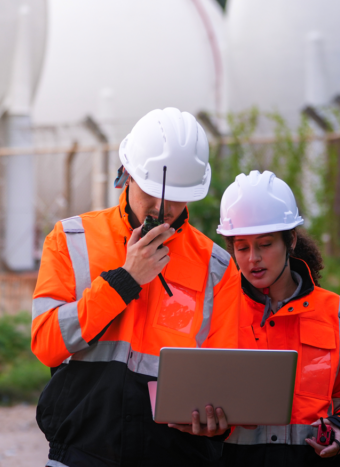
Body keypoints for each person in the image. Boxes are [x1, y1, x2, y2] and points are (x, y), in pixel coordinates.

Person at [31, 108, 243, 467]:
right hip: (83, 451)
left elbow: (225, 380)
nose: (164, 208)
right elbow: (47, 344)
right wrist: (124, 280)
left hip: (178, 456)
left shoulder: (217, 267)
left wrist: (217, 425)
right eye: (154, 191)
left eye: (178, 197)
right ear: (127, 174)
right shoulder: (71, 239)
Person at [217, 171, 340, 466]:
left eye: (265, 244)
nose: (253, 257)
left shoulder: (337, 314)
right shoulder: (217, 312)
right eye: (242, 247)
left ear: (290, 240)